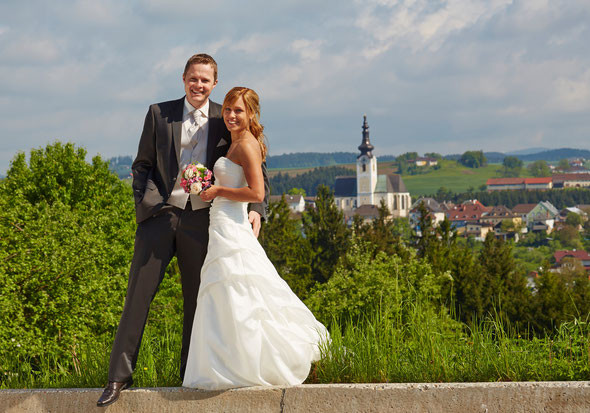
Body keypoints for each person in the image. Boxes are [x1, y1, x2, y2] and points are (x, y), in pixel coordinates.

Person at [97, 54, 269, 407]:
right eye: (193, 79)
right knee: (137, 298)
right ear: (184, 79)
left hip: (202, 223)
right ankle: (117, 379)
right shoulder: (159, 114)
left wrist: (256, 209)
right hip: (158, 218)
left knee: (198, 302)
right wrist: (143, 208)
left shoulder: (228, 117)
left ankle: (187, 378)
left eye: (205, 80)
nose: (198, 85)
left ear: (214, 83)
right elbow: (142, 165)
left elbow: (256, 165)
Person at [182, 87, 327, 390]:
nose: (232, 116)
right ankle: (228, 364)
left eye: (239, 111)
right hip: (221, 223)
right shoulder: (236, 142)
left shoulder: (247, 145)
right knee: (226, 293)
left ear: (251, 114)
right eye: (228, 110)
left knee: (238, 290)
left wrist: (218, 191)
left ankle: (246, 364)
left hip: (231, 224)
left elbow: (257, 193)